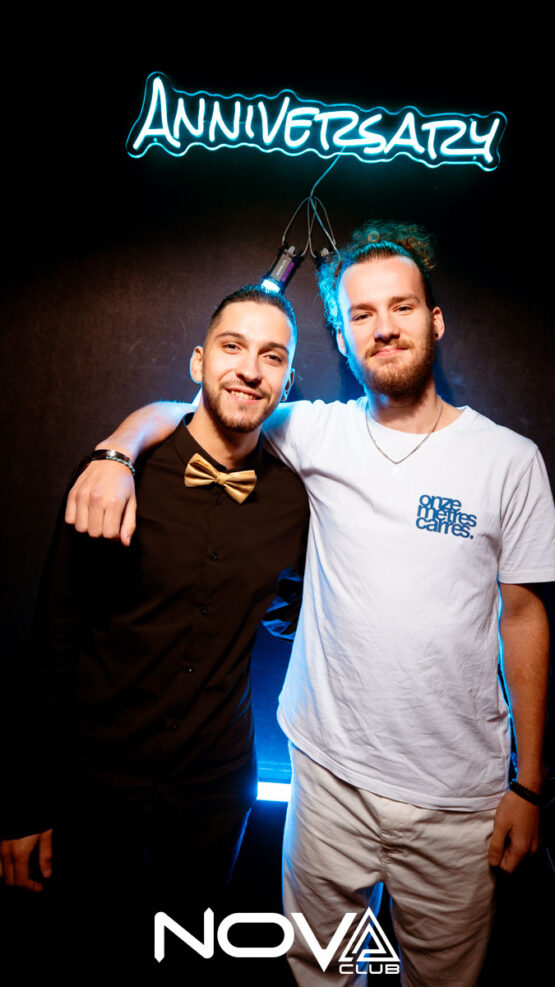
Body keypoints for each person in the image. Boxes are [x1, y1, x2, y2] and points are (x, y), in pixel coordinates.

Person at [51, 223, 554, 986]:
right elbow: (198, 406)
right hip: (324, 781)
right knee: (318, 974)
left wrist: (528, 782)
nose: (383, 327)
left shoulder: (509, 461)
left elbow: (522, 617)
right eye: (360, 314)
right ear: (343, 341)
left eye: (401, 307)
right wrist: (117, 450)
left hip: (458, 800)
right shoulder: (313, 428)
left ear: (434, 319)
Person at [0, 285, 309, 975]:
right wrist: (24, 804)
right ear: (199, 360)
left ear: (288, 381)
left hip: (215, 786)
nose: (249, 369)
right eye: (232, 347)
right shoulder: (112, 476)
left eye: (271, 356)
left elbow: (301, 608)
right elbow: (50, 640)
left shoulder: (295, 500)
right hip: (93, 779)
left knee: (188, 956)